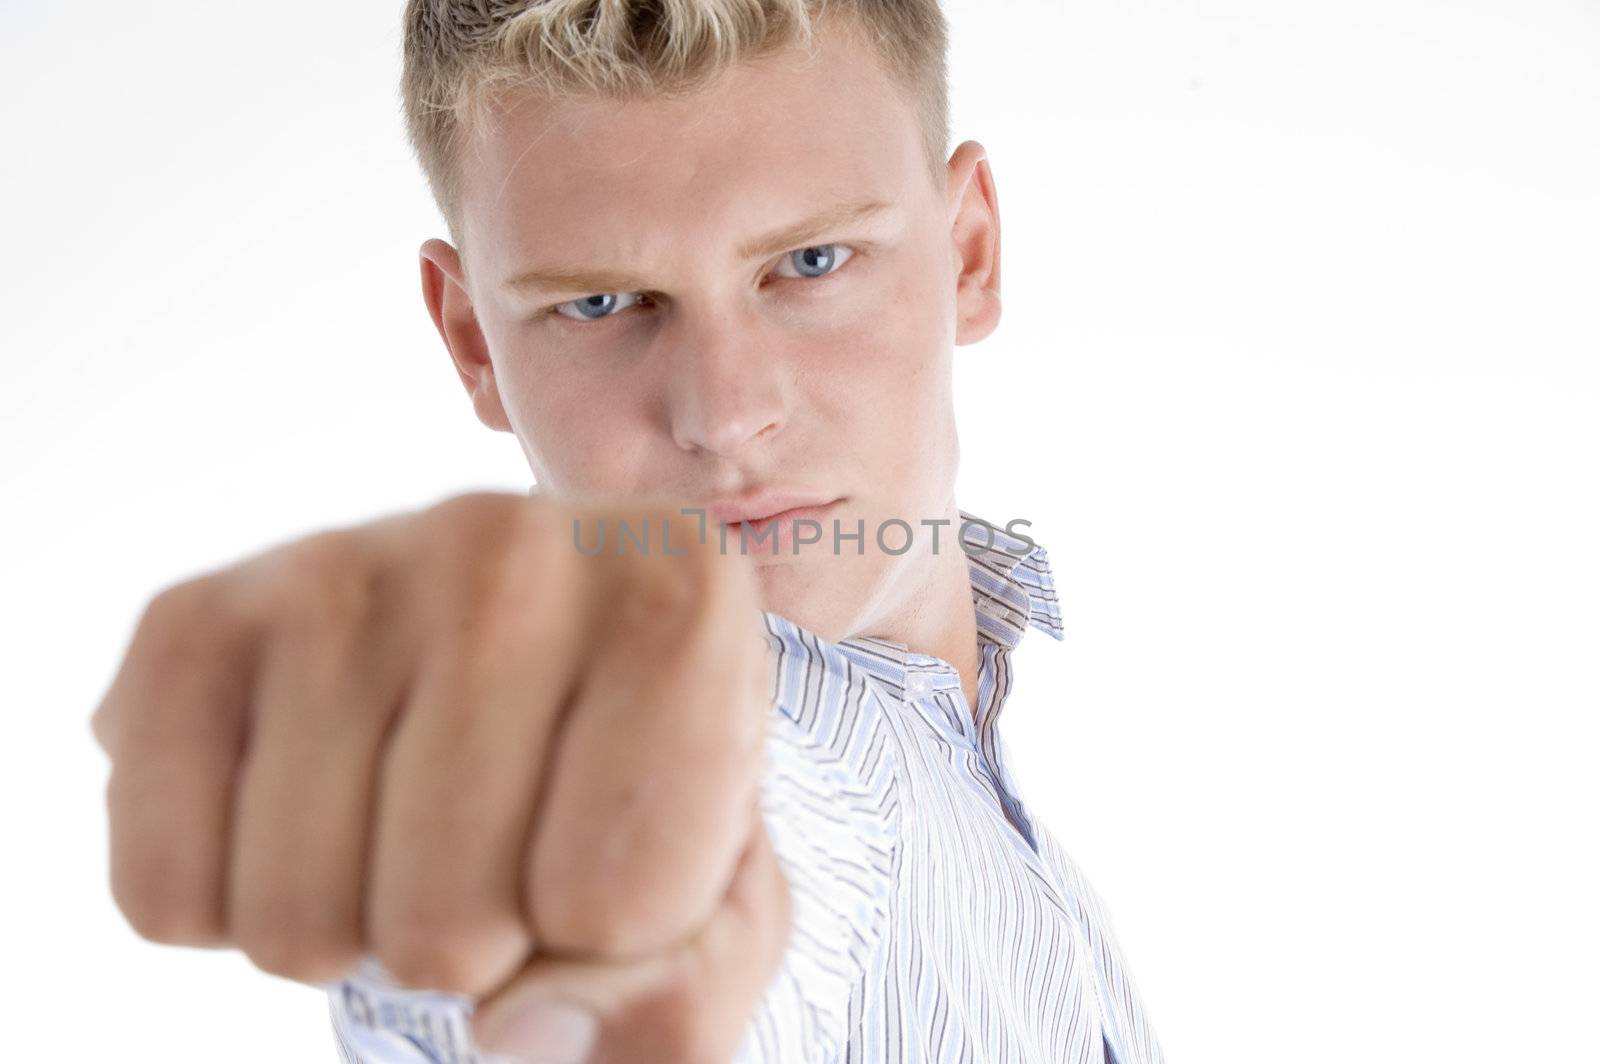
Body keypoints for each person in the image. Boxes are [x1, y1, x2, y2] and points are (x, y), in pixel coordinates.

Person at [91, 1, 1167, 1061]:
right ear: (472, 341)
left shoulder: (972, 759)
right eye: (603, 303)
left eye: (811, 263)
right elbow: (732, 821)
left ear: (969, 251)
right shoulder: (775, 762)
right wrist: (529, 872)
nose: (723, 412)